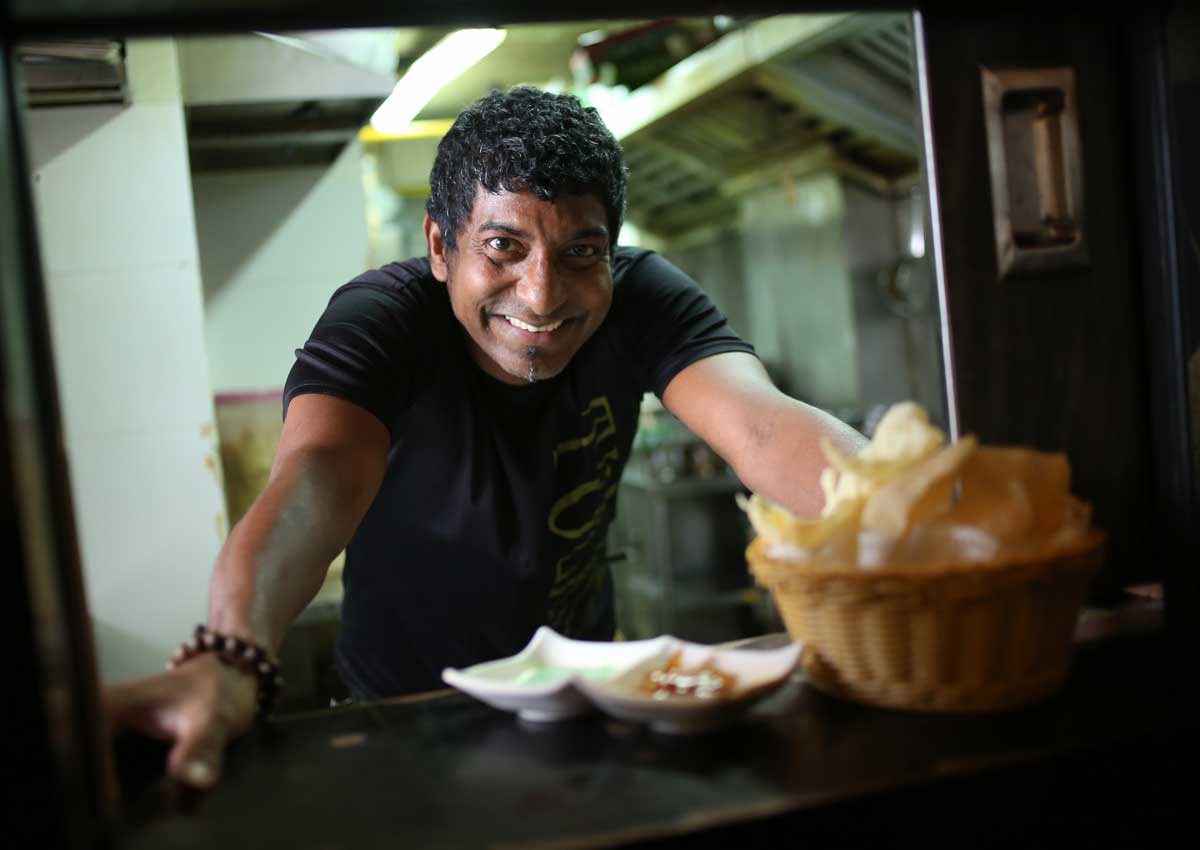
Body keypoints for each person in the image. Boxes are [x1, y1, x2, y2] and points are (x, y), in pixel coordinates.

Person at [103, 85, 865, 789]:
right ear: (442, 247)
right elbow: (317, 477)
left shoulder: (643, 300)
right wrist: (233, 653)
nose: (542, 294)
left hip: (580, 699)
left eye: (581, 253)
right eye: (504, 247)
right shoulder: (384, 322)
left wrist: (916, 516)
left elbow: (762, 427)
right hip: (404, 715)